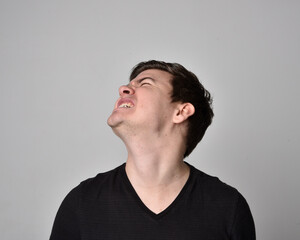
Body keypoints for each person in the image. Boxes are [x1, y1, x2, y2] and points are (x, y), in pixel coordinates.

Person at [50, 60, 255, 240]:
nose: (124, 89)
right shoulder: (82, 203)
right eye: (129, 84)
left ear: (181, 111)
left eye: (145, 83)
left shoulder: (227, 207)